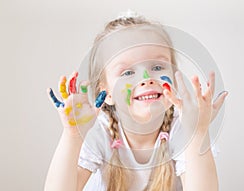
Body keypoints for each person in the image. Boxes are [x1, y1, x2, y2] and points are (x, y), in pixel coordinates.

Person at [44, 12, 228, 191]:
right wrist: (72, 136)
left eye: (157, 66)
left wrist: (197, 132)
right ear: (106, 93)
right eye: (127, 72)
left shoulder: (180, 128)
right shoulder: (100, 132)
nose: (146, 79)